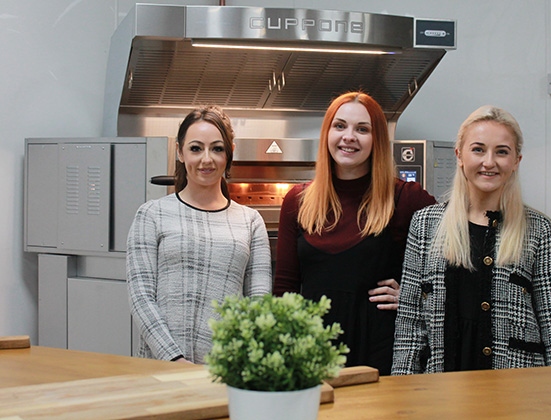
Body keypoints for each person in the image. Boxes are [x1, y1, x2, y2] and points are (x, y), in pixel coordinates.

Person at [392, 105, 551, 374]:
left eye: (501, 151)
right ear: (460, 156)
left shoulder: (539, 230)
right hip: (441, 392)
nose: (489, 162)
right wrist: (402, 391)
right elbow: (410, 324)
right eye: (478, 149)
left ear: (516, 162)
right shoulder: (425, 224)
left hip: (518, 391)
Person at [274, 91, 437, 375]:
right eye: (340, 126)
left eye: (362, 129)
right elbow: (285, 288)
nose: (349, 136)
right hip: (310, 352)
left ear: (377, 141)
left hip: (380, 354)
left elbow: (456, 262)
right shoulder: (298, 200)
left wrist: (415, 298)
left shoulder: (405, 198)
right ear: (327, 134)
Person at [126, 105, 272, 364]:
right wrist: (174, 360)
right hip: (160, 367)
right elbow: (141, 298)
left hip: (225, 370)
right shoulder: (151, 215)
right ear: (180, 152)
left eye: (217, 148)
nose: (207, 159)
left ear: (229, 154)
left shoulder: (251, 222)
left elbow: (259, 303)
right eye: (196, 148)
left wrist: (239, 361)